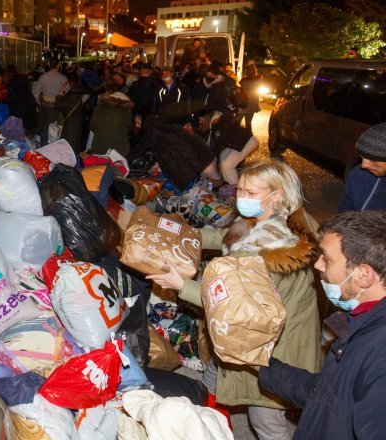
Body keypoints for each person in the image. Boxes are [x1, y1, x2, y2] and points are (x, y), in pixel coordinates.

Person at [148, 160, 321, 440]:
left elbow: (230, 305)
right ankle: (211, 427)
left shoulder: (273, 249)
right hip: (259, 334)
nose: (242, 197)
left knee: (264, 416)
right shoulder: (278, 218)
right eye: (240, 189)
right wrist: (186, 234)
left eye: (252, 192)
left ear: (276, 194)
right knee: (215, 375)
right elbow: (225, 237)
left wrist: (181, 285)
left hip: (276, 345)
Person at [257, 210, 386, 440]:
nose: (317, 265)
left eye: (327, 258)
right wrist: (261, 364)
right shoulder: (363, 322)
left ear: (363, 276)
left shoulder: (379, 355)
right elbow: (327, 393)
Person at [339, 122, 386, 211]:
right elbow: (344, 210)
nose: (364, 165)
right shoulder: (359, 174)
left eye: (373, 159)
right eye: (361, 157)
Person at [54, 73, 84, 152]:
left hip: (70, 126)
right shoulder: (77, 95)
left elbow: (58, 105)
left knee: (69, 146)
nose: (65, 85)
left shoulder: (72, 96)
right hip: (74, 124)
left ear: (71, 85)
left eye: (67, 83)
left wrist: (60, 92)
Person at [4, 65, 39, 132]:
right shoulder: (24, 78)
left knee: (18, 132)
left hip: (19, 111)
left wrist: (0, 101)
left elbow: (12, 98)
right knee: (23, 130)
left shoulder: (12, 81)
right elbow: (29, 93)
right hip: (28, 108)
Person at [238, 64, 263, 132]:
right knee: (248, 122)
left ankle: (238, 135)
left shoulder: (245, 80)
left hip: (245, 103)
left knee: (238, 120)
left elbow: (241, 89)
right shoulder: (257, 79)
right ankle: (248, 137)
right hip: (251, 103)